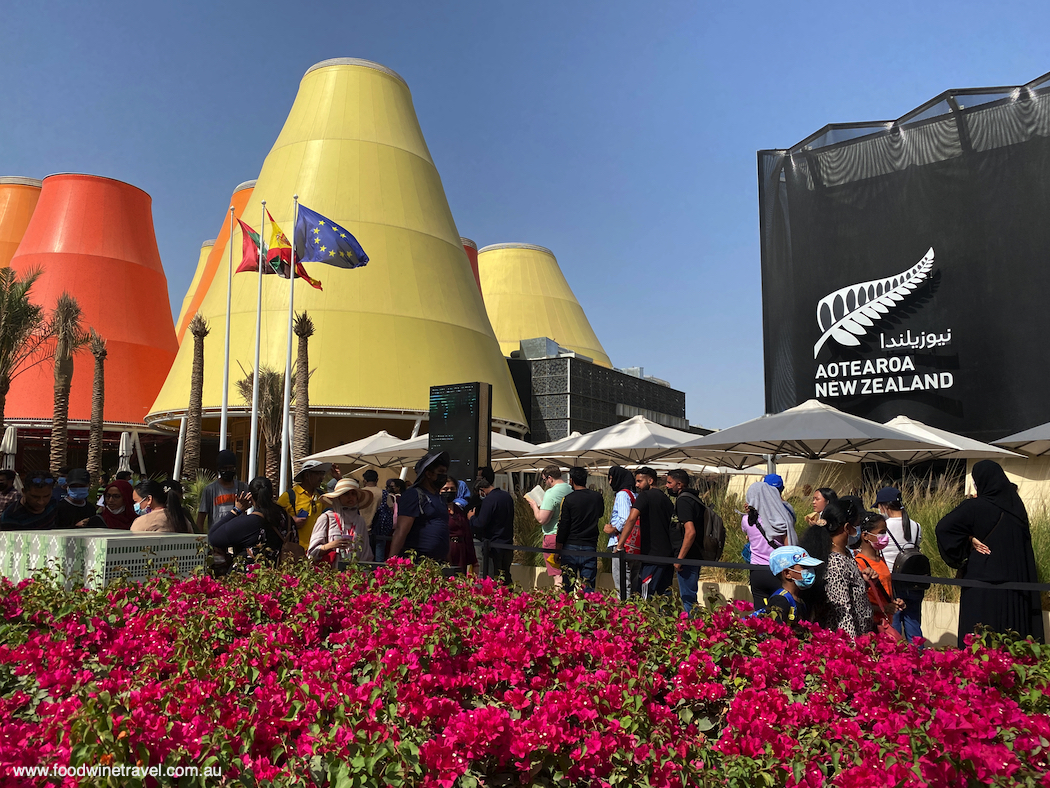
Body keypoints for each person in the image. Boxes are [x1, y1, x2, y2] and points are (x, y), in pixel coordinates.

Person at [936, 460, 1045, 647]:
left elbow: (943, 529)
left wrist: (968, 541)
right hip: (1016, 586)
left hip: (982, 584)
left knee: (981, 642)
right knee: (1011, 640)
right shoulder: (1017, 508)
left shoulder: (974, 507)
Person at [799, 498, 872, 637]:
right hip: (843, 645)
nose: (858, 529)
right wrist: (851, 650)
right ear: (846, 528)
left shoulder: (845, 555)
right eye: (856, 525)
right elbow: (842, 613)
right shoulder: (836, 563)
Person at [872, 487, 926, 642]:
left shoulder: (882, 527)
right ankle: (918, 659)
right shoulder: (916, 526)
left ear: (885, 506)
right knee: (913, 623)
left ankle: (895, 661)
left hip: (891, 581)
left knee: (892, 626)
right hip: (913, 580)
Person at [616, 468, 676, 600]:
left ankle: (640, 620)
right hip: (668, 555)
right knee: (665, 596)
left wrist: (620, 545)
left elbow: (631, 518)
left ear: (650, 480)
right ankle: (667, 619)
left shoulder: (645, 496)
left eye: (639, 481)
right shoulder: (666, 499)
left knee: (643, 595)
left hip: (652, 555)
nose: (636, 485)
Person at [209, 477, 294, 563]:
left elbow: (213, 537)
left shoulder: (249, 523)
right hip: (283, 572)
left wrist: (236, 510)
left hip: (252, 574)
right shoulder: (287, 518)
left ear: (250, 496)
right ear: (272, 494)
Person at [742, 480, 799, 606]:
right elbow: (789, 548)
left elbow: (748, 534)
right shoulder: (780, 519)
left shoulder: (746, 520)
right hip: (777, 571)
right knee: (782, 610)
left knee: (760, 614)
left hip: (756, 571)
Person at [390, 451, 450, 561]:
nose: (444, 476)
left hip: (438, 563)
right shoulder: (413, 495)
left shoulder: (440, 498)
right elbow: (401, 530)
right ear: (428, 474)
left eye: (445, 472)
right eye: (440, 472)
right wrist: (391, 561)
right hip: (417, 562)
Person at [555, 466, 604, 593]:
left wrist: (557, 549)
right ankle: (587, 611)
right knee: (588, 587)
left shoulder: (569, 499)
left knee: (568, 587)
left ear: (571, 480)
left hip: (570, 546)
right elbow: (600, 514)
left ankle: (568, 611)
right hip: (590, 546)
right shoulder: (597, 497)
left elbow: (563, 525)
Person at [753, 545, 823, 629]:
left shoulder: (801, 599)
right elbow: (775, 634)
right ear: (787, 573)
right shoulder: (780, 600)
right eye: (805, 567)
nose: (811, 572)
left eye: (811, 568)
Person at [665, 469, 705, 615]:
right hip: (693, 555)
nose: (667, 486)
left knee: (688, 598)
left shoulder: (683, 500)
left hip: (688, 557)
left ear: (680, 484)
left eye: (670, 482)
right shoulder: (693, 498)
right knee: (689, 596)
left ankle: (693, 630)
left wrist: (679, 559)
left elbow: (690, 531)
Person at [855, 511, 903, 631]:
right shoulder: (859, 563)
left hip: (886, 623)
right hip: (871, 624)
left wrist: (895, 602)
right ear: (865, 536)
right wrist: (884, 608)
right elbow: (858, 601)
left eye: (885, 532)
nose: (885, 537)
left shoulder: (881, 560)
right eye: (881, 533)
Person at [309, 478, 374, 564]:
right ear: (338, 497)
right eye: (346, 494)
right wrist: (330, 545)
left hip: (354, 574)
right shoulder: (326, 518)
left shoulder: (360, 521)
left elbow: (366, 555)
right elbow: (311, 554)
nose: (350, 497)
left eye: (353, 494)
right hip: (329, 574)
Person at [277, 460, 330, 550]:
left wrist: (338, 478)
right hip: (296, 550)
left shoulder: (322, 496)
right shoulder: (289, 496)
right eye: (318, 474)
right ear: (307, 476)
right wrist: (292, 522)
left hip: (318, 550)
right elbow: (275, 520)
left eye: (322, 474)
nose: (321, 478)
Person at [471, 477, 515, 584]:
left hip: (493, 545)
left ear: (482, 490)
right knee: (506, 575)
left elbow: (481, 523)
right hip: (507, 543)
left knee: (492, 576)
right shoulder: (507, 496)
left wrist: (471, 518)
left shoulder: (489, 500)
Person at [604, 466, 637, 597]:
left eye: (611, 478)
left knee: (622, 583)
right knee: (633, 582)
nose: (610, 482)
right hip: (634, 543)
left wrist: (612, 528)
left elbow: (624, 519)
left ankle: (624, 612)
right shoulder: (634, 494)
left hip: (621, 543)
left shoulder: (622, 494)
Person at [196, 450, 250, 532]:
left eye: (231, 468)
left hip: (238, 536)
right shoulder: (210, 490)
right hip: (218, 536)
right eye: (225, 468)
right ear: (219, 469)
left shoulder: (242, 487)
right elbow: (200, 519)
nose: (228, 471)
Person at [441, 477, 477, 573]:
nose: (449, 491)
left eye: (452, 489)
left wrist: (474, 561)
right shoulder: (438, 509)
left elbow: (467, 535)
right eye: (445, 489)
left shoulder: (459, 510)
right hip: (446, 551)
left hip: (461, 552)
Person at [372, 478, 404, 562]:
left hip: (383, 526)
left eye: (392, 486)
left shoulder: (393, 497)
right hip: (389, 526)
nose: (389, 488)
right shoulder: (387, 495)